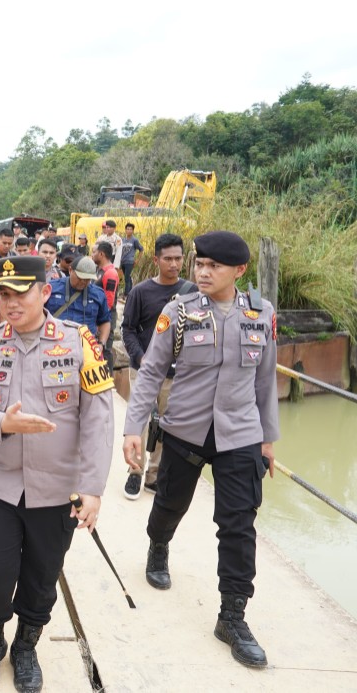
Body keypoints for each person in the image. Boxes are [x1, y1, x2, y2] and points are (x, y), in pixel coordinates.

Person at [0, 255, 114, 693]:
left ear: (45, 292)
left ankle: (27, 644)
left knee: (42, 575)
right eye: (2, 294)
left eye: (20, 292)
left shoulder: (78, 342)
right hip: (0, 486)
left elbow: (100, 415)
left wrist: (93, 487)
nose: (10, 302)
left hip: (57, 490)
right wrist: (0, 423)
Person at [123, 231, 278, 669]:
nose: (202, 272)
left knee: (238, 525)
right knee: (171, 503)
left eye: (214, 266)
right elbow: (151, 372)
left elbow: (266, 381)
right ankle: (158, 544)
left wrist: (267, 440)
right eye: (200, 264)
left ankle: (232, 616)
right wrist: (133, 427)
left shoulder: (260, 314)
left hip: (241, 434)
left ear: (240, 271)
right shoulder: (179, 313)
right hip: (186, 431)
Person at [120, 233, 195, 499]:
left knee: (167, 423)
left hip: (176, 374)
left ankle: (154, 475)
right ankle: (135, 473)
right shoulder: (141, 292)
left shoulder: (192, 293)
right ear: (156, 260)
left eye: (178, 258)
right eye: (168, 259)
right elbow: (127, 329)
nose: (173, 264)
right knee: (140, 420)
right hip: (143, 368)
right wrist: (143, 359)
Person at [44, 256, 111, 345]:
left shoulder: (98, 294)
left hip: (86, 346)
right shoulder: (52, 288)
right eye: (80, 277)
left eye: (87, 279)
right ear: (70, 270)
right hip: (55, 344)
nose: (83, 282)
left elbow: (105, 321)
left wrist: (101, 344)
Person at [93, 241, 120, 371]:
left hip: (105, 317)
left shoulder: (110, 274)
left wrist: (102, 323)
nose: (92, 255)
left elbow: (109, 302)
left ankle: (108, 380)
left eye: (94, 252)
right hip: (98, 316)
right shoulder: (99, 270)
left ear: (101, 254)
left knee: (106, 349)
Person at [121, 223, 143, 295]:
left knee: (127, 278)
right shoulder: (123, 240)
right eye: (127, 229)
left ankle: (126, 294)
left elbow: (141, 250)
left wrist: (137, 260)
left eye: (131, 229)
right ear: (125, 230)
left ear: (133, 231)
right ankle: (131, 293)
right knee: (127, 277)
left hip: (130, 261)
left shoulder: (134, 240)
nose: (129, 231)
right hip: (123, 261)